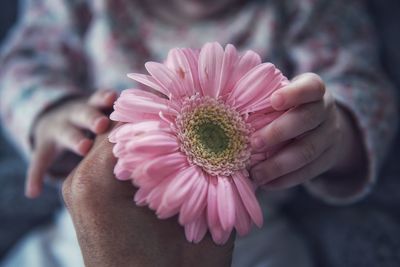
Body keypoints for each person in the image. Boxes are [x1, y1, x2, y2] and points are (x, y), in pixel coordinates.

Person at [0, 0, 397, 266]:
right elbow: (21, 65)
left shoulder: (308, 8)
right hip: (87, 226)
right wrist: (49, 113)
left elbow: (362, 88)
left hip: (248, 232)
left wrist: (332, 132)